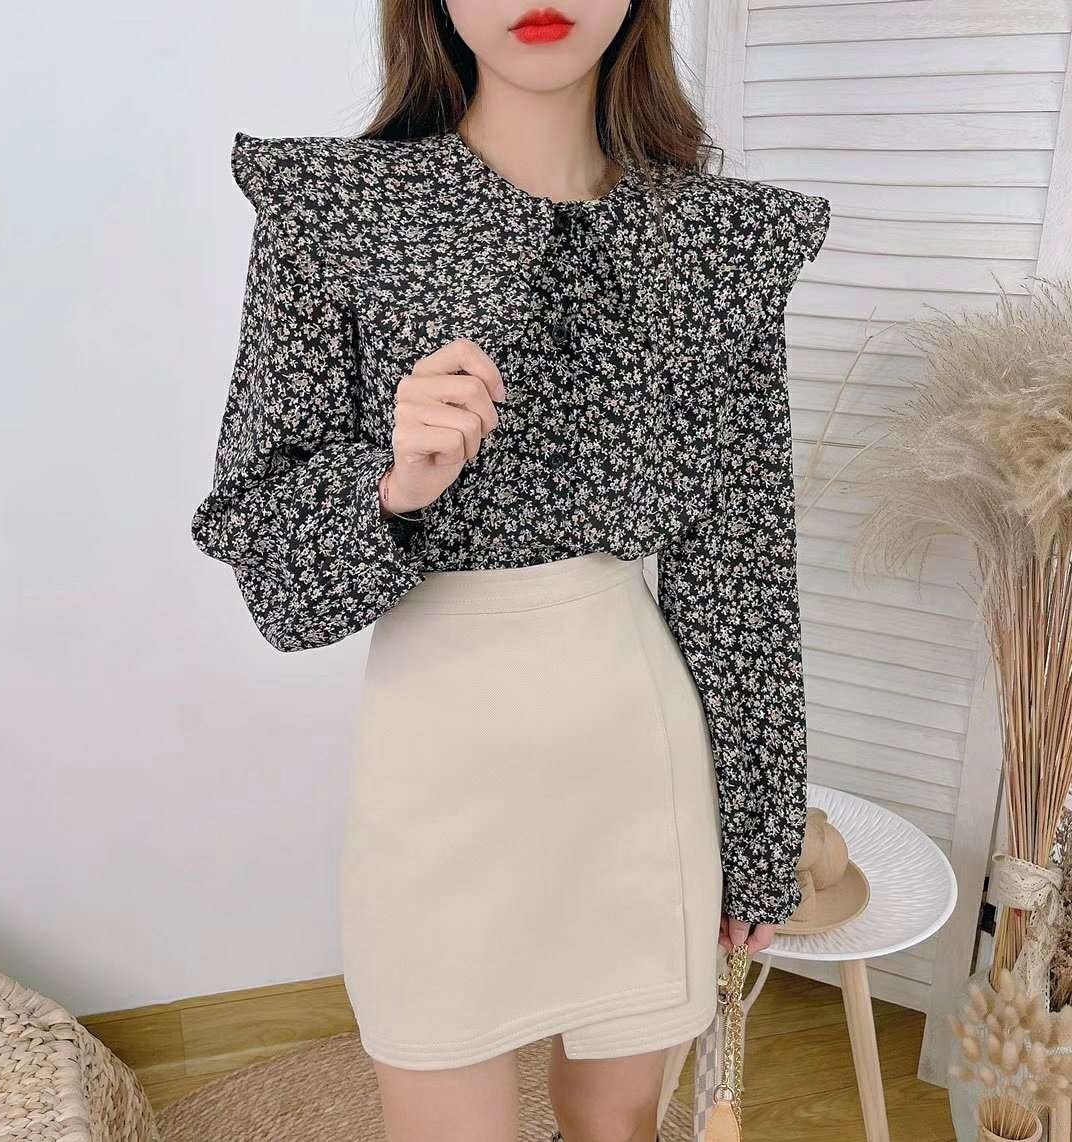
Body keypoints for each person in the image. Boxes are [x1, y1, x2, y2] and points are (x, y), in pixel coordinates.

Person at [189, 1, 830, 1139]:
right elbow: (278, 586)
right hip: (438, 754)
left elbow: (739, 565)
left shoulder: (714, 242)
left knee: (620, 1124)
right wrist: (391, 480)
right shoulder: (339, 212)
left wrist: (760, 839)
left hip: (639, 750)